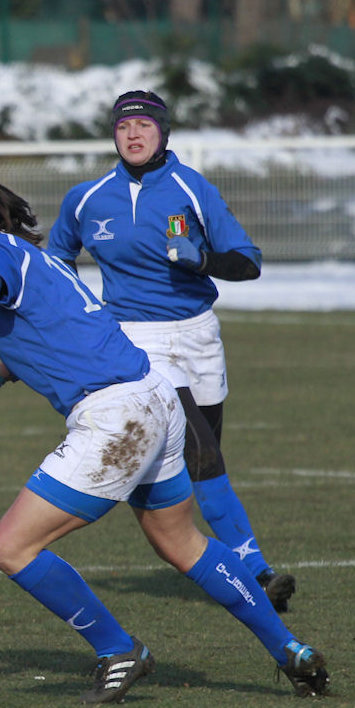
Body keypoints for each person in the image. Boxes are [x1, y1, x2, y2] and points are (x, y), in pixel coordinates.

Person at [0, 174, 329, 703]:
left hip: (117, 416)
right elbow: (55, 336)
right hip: (155, 397)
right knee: (182, 543)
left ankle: (118, 649)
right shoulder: (39, 259)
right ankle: (291, 650)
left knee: (10, 547)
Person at [47, 90, 294, 610]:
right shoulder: (87, 198)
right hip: (136, 340)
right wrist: (79, 316)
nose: (132, 135)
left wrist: (201, 259)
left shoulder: (191, 187)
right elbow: (56, 262)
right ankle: (257, 570)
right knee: (201, 450)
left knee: (205, 459)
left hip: (200, 334)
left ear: (163, 132)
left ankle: (210, 558)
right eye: (122, 127)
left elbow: (248, 262)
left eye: (143, 126)